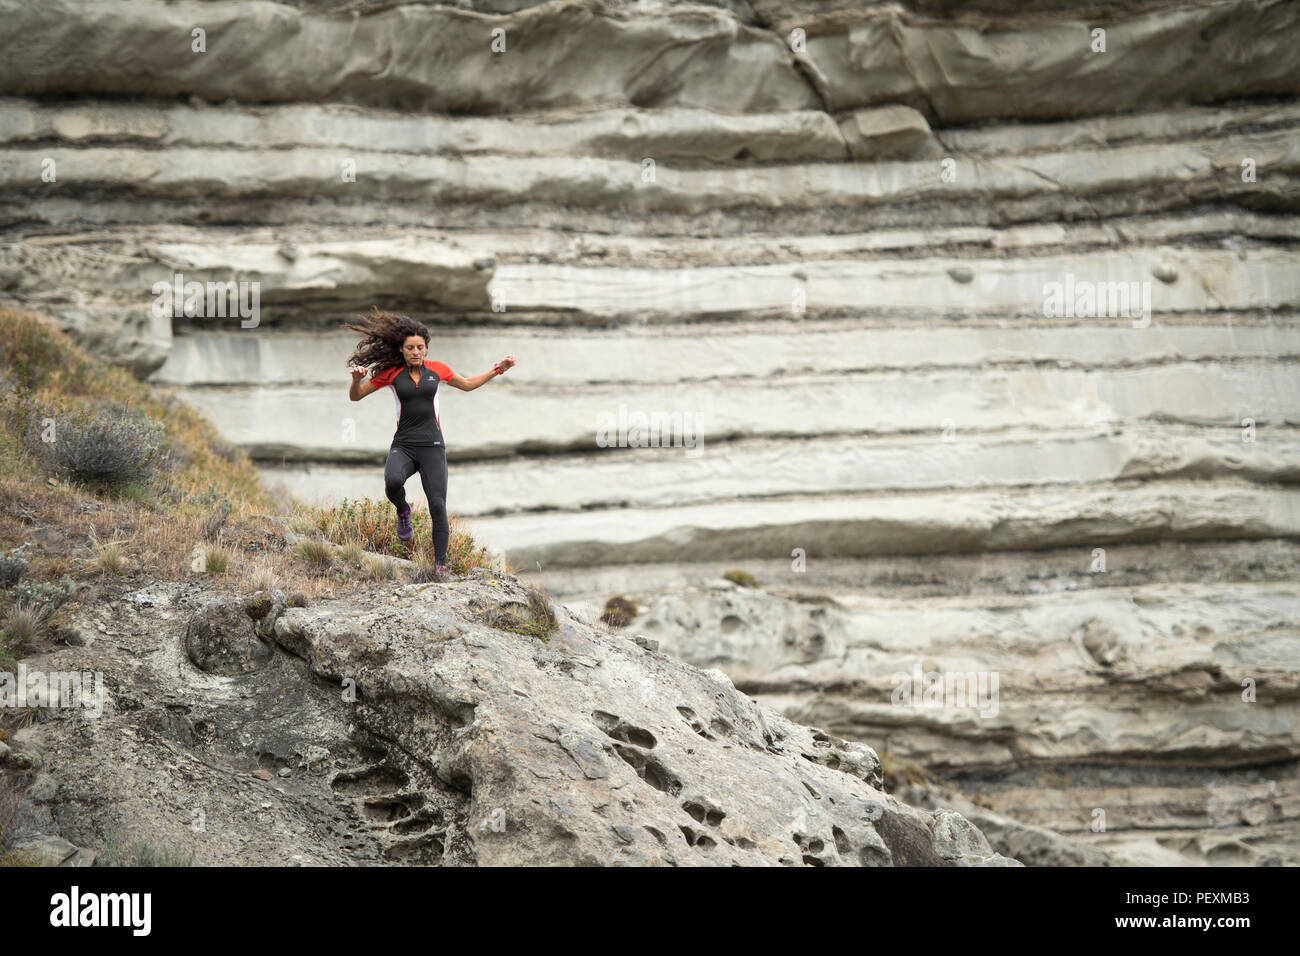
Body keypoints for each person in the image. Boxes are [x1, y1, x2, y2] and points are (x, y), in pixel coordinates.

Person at [344, 308, 515, 577]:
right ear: (401, 349)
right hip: (404, 444)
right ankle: (403, 512)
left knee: (438, 505)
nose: (415, 351)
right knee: (392, 482)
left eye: (420, 347)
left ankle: (441, 566)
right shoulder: (390, 373)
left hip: (433, 447)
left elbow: (468, 384)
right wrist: (356, 381)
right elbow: (356, 397)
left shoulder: (438, 370)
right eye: (410, 347)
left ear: (426, 348)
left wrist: (498, 369)